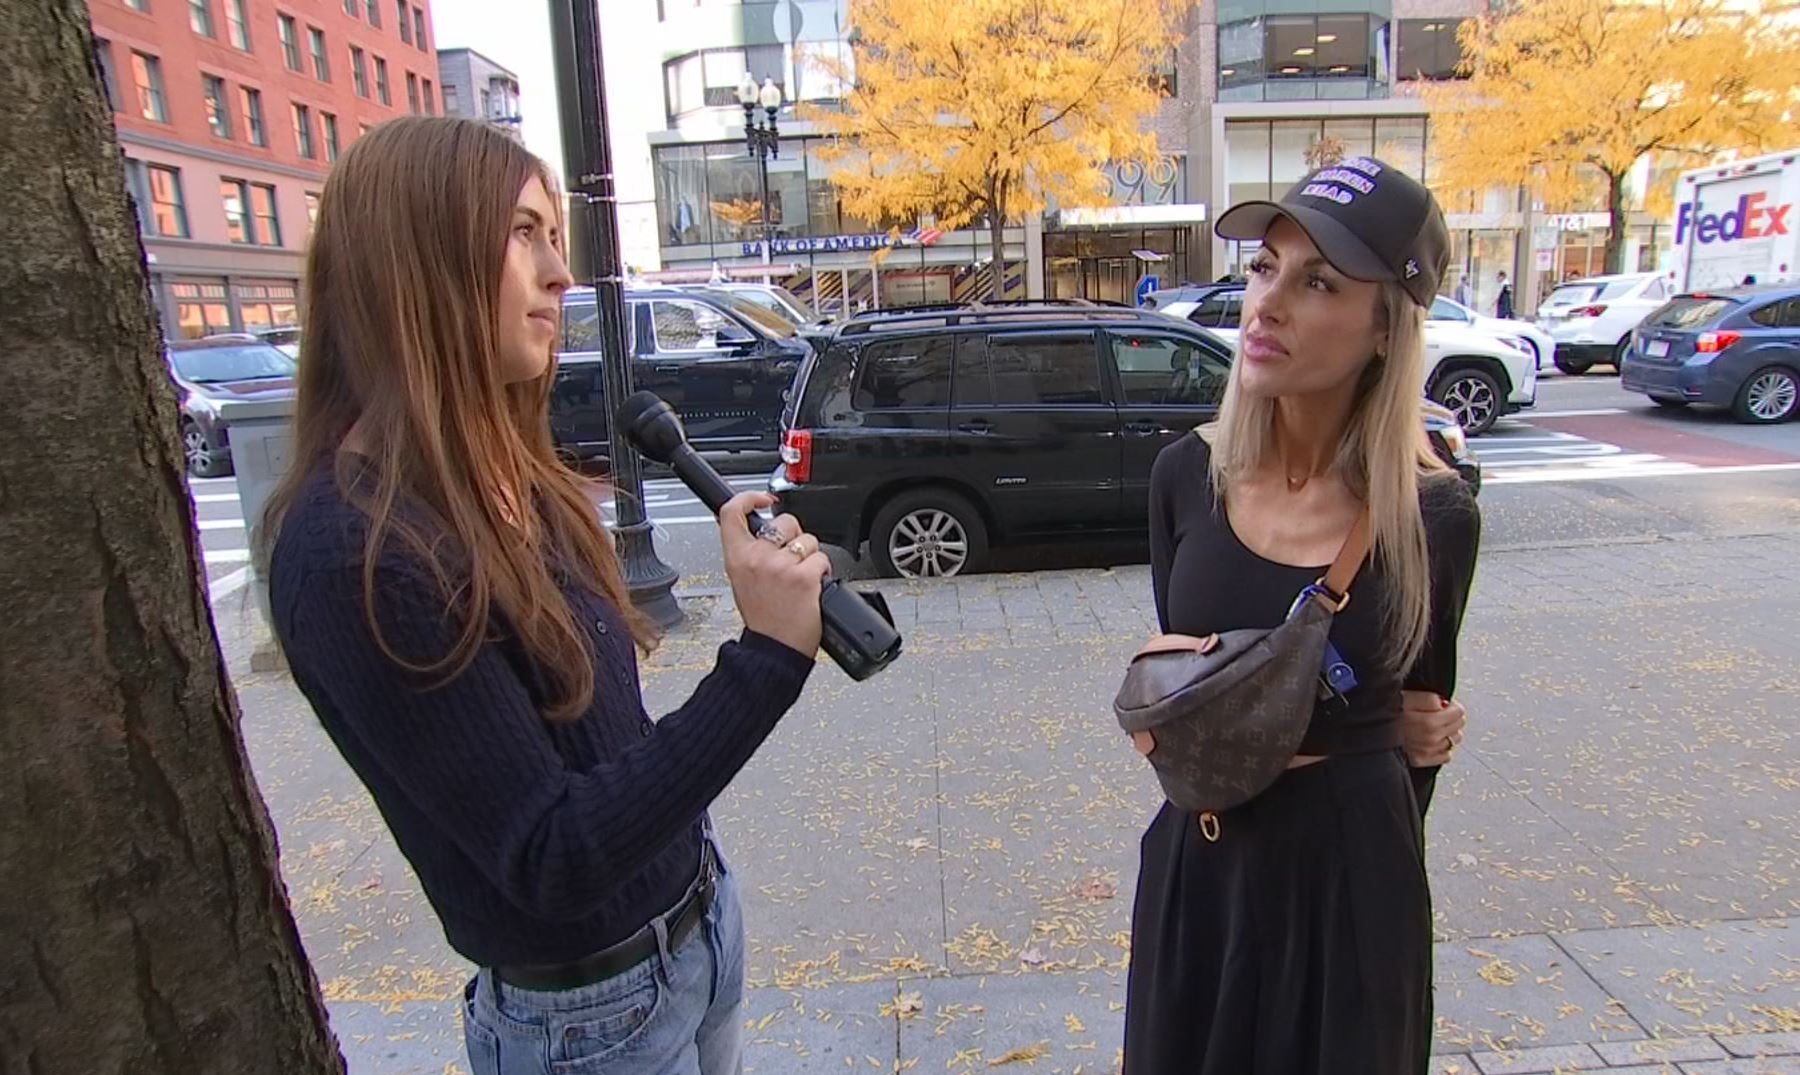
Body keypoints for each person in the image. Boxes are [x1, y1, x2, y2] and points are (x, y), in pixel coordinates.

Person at [262, 117, 832, 1075]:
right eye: (523, 234)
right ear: (419, 257)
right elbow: (550, 852)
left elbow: (607, 745)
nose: (560, 273)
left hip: (699, 926)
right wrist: (765, 659)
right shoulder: (352, 552)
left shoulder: (505, 474)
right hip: (589, 1021)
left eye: (555, 237)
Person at [1124, 157, 1481, 1074]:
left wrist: (1370, 743)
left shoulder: (1432, 518)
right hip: (1201, 871)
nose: (1267, 303)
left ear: (1383, 330)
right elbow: (1208, 682)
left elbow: (1420, 731)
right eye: (1263, 267)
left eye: (1319, 280)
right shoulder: (1185, 478)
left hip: (1349, 890)